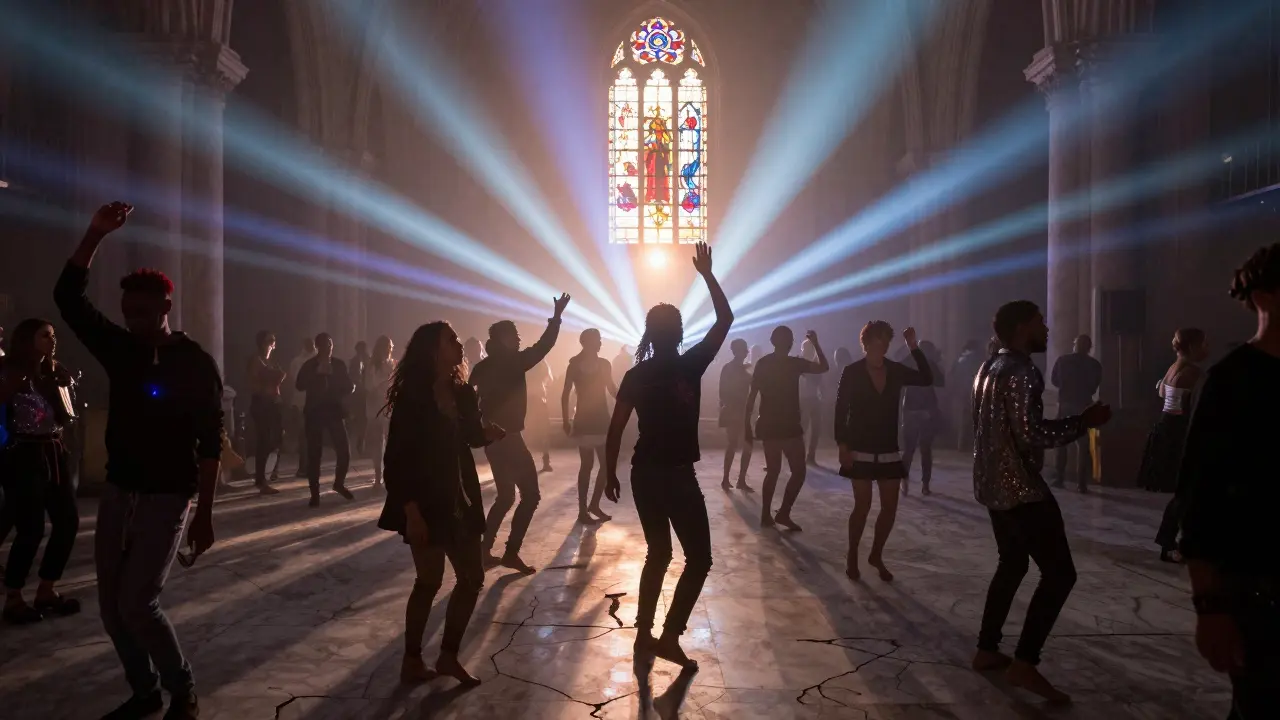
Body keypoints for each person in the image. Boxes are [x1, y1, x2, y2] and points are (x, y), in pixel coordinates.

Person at [56, 202, 222, 720]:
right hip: (120, 491)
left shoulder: (195, 363)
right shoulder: (121, 348)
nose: (132, 322)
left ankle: (182, 689)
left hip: (169, 495)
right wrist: (95, 233)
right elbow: (68, 298)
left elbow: (211, 444)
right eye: (127, 313)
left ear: (166, 307)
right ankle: (145, 691)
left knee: (137, 604)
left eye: (143, 314)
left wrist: (207, 513)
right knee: (111, 609)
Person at [970, 300, 1111, 705]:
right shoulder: (1020, 371)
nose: (1046, 329)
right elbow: (1034, 435)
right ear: (1020, 329)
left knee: (1012, 563)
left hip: (993, 486)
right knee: (1060, 574)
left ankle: (986, 648)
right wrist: (1084, 421)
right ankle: (1025, 663)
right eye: (1039, 323)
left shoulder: (988, 368)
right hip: (1022, 490)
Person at [605, 242, 730, 670]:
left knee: (658, 552)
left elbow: (617, 426)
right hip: (676, 476)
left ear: (648, 335)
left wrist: (609, 472)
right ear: (678, 334)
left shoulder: (635, 374)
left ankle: (644, 633)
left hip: (644, 473)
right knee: (700, 559)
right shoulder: (691, 364)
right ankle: (670, 637)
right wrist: (708, 275)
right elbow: (726, 320)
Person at [1178, 243, 1280, 719]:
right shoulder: (1232, 380)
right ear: (1264, 297)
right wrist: (1209, 606)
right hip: (1259, 593)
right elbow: (1200, 498)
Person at [377, 321, 504, 687]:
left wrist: (488, 434)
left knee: (471, 578)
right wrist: (411, 512)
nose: (460, 344)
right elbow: (396, 460)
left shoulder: (464, 393)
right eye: (452, 340)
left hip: (460, 498)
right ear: (434, 349)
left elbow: (469, 436)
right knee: (428, 581)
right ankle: (413, 660)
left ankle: (447, 656)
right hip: (425, 502)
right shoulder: (412, 398)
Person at [470, 296, 570, 574]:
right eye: (513, 335)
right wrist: (556, 316)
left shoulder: (482, 366)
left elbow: (472, 399)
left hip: (491, 441)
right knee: (531, 495)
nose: (518, 339)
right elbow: (545, 346)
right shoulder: (513, 363)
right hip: (510, 440)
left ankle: (483, 550)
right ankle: (510, 553)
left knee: (505, 497)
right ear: (502, 338)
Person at [833, 321, 930, 582]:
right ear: (868, 342)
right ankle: (853, 554)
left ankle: (876, 554)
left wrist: (913, 347)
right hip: (860, 446)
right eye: (881, 339)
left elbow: (926, 378)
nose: (885, 343)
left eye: (887, 339)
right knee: (862, 506)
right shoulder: (852, 372)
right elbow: (841, 409)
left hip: (887, 447)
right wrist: (842, 445)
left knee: (890, 507)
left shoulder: (895, 370)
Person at [0, 318, 79, 624]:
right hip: (24, 453)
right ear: (27, 340)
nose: (51, 340)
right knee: (31, 528)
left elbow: (66, 413)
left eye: (53, 335)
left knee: (68, 521)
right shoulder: (11, 371)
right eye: (45, 335)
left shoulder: (55, 369)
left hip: (54, 451)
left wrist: (64, 384)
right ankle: (14, 597)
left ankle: (47, 589)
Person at [745, 327, 829, 530]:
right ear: (791, 342)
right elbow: (823, 367)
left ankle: (766, 515)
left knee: (773, 471)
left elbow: (752, 395)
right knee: (798, 472)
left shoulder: (763, 363)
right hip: (789, 424)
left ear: (772, 341)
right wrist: (816, 343)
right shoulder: (794, 363)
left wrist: (747, 424)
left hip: (769, 423)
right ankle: (783, 513)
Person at [1142, 328, 1207, 564]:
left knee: (1186, 493)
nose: (1206, 349)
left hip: (1166, 432)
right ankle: (1170, 543)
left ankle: (1173, 543)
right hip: (1181, 436)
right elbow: (1197, 409)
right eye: (1203, 344)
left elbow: (1162, 395)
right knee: (1186, 493)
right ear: (1191, 347)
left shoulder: (1172, 369)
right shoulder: (1194, 373)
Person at [561, 329, 616, 524]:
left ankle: (588, 507)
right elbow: (565, 393)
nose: (601, 343)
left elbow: (612, 389)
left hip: (595, 419)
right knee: (594, 465)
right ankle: (587, 508)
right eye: (598, 340)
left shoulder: (598, 364)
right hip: (590, 420)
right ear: (589, 342)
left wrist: (567, 420)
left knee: (596, 466)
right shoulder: (579, 365)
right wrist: (566, 420)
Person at [295, 332, 355, 507]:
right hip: (315, 412)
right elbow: (299, 385)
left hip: (334, 411)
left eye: (330, 345)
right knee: (314, 453)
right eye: (325, 345)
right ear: (318, 347)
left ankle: (339, 483)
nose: (328, 348)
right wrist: (316, 373)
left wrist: (344, 387)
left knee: (344, 450)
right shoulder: (309, 365)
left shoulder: (338, 364)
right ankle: (315, 493)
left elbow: (348, 386)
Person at [1049, 335, 1102, 493]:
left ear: (1075, 345)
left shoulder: (1062, 360)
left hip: (1065, 404)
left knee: (1062, 442)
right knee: (1083, 444)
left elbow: (1054, 381)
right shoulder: (1094, 365)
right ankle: (1081, 483)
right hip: (1084, 405)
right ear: (1089, 347)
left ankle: (1059, 478)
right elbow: (1095, 385)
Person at [900, 340, 946, 496]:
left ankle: (904, 481)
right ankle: (925, 485)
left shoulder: (909, 360)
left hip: (910, 408)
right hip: (926, 408)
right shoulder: (931, 363)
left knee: (909, 449)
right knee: (925, 449)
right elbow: (941, 382)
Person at [246, 330, 285, 495]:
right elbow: (258, 381)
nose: (273, 344)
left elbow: (278, 378)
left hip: (272, 403)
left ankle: (263, 477)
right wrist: (273, 378)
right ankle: (261, 480)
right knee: (264, 440)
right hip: (262, 403)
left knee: (274, 439)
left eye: (274, 341)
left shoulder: (270, 362)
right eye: (271, 341)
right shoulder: (256, 360)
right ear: (263, 343)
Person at [717, 339, 754, 491]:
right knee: (740, 445)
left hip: (739, 411)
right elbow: (723, 392)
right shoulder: (739, 369)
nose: (746, 352)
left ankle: (731, 479)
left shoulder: (733, 368)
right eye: (744, 349)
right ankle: (735, 479)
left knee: (737, 445)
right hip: (737, 411)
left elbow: (722, 393)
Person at [364, 335, 395, 488]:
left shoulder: (392, 364)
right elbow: (369, 386)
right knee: (377, 443)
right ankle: (378, 476)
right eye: (387, 346)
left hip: (389, 407)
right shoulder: (372, 365)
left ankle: (388, 475)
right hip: (376, 408)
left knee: (390, 443)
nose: (390, 349)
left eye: (391, 346)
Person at [287, 337, 316, 478]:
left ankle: (310, 466)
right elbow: (294, 382)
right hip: (301, 403)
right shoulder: (297, 361)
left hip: (315, 403)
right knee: (304, 436)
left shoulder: (318, 359)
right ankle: (304, 466)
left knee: (312, 435)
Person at [948, 340, 983, 451]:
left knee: (964, 418)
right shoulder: (977, 359)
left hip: (962, 391)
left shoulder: (960, 359)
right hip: (975, 390)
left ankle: (962, 444)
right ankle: (974, 444)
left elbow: (952, 375)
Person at [799, 337, 826, 465]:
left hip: (814, 398)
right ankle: (802, 455)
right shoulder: (799, 364)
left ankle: (810, 456)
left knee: (815, 428)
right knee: (802, 429)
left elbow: (819, 383)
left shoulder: (815, 364)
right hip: (803, 398)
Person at [526, 359, 555, 474]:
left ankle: (529, 461)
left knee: (529, 432)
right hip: (539, 401)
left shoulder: (528, 364)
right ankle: (545, 460)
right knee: (543, 432)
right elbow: (550, 380)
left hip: (530, 401)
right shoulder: (542, 365)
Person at [348, 341, 371, 456]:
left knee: (361, 420)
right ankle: (360, 444)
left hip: (362, 394)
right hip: (361, 394)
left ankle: (360, 444)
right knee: (361, 420)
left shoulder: (364, 360)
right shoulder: (361, 360)